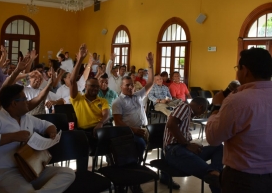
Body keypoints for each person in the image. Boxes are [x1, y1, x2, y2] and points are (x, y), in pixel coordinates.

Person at [0, 84, 75, 193]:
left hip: (30, 170)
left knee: (67, 173)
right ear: (14, 103)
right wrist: (13, 137)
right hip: (3, 172)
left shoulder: (26, 117)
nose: (28, 102)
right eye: (25, 99)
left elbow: (46, 125)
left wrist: (52, 131)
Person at [206, 47, 272, 193]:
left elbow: (213, 138)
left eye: (237, 68)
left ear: (245, 70)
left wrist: (217, 107)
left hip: (243, 180)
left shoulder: (237, 101)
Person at [112, 52, 154, 193]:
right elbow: (117, 122)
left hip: (143, 129)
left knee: (163, 141)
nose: (131, 87)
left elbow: (150, 83)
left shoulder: (137, 96)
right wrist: (134, 130)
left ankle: (139, 172)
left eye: (132, 85)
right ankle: (132, 177)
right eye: (127, 85)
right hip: (128, 132)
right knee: (139, 145)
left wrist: (150, 65)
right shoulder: (118, 102)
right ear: (121, 87)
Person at [164, 97, 223, 193]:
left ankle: (215, 170)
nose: (201, 114)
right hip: (174, 151)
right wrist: (187, 144)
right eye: (203, 111)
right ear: (200, 107)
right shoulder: (185, 107)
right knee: (212, 177)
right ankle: (214, 174)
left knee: (218, 147)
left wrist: (190, 144)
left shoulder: (187, 114)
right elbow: (171, 124)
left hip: (183, 149)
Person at [70, 44, 110, 151]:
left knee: (115, 142)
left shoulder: (102, 100)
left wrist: (101, 123)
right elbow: (72, 81)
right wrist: (80, 60)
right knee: (84, 148)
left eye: (97, 87)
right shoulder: (78, 98)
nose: (95, 89)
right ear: (85, 86)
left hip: (100, 128)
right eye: (92, 86)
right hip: (84, 132)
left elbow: (107, 113)